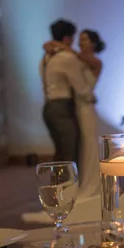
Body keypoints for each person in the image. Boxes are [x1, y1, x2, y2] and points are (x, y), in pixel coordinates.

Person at [43, 29, 106, 199]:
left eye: (84, 39)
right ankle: (79, 183)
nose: (80, 42)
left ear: (93, 43)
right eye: (80, 39)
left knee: (89, 144)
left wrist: (60, 46)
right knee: (80, 147)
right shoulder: (75, 59)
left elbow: (84, 86)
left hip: (85, 107)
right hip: (76, 107)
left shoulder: (95, 62)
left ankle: (91, 185)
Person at [39, 20, 95, 168]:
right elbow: (80, 86)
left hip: (48, 107)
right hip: (62, 107)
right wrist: (91, 97)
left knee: (60, 153)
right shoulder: (67, 58)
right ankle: (69, 182)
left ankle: (58, 182)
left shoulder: (45, 58)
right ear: (66, 38)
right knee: (70, 154)